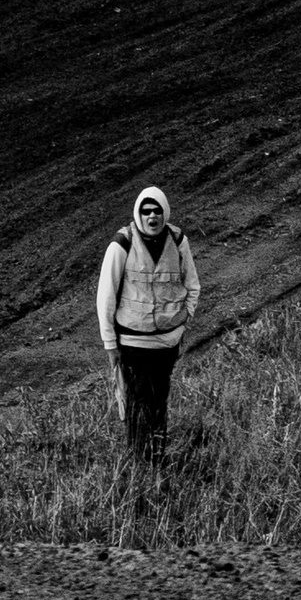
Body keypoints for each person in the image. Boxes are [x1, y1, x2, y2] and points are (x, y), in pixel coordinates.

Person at [94, 185, 201, 458]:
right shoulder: (121, 244)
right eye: (146, 212)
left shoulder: (177, 240)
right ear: (138, 214)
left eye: (156, 211)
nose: (151, 217)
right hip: (133, 342)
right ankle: (142, 461)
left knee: (159, 401)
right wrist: (110, 344)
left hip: (167, 342)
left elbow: (193, 284)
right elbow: (105, 297)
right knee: (139, 402)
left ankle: (156, 455)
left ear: (164, 212)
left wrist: (184, 318)